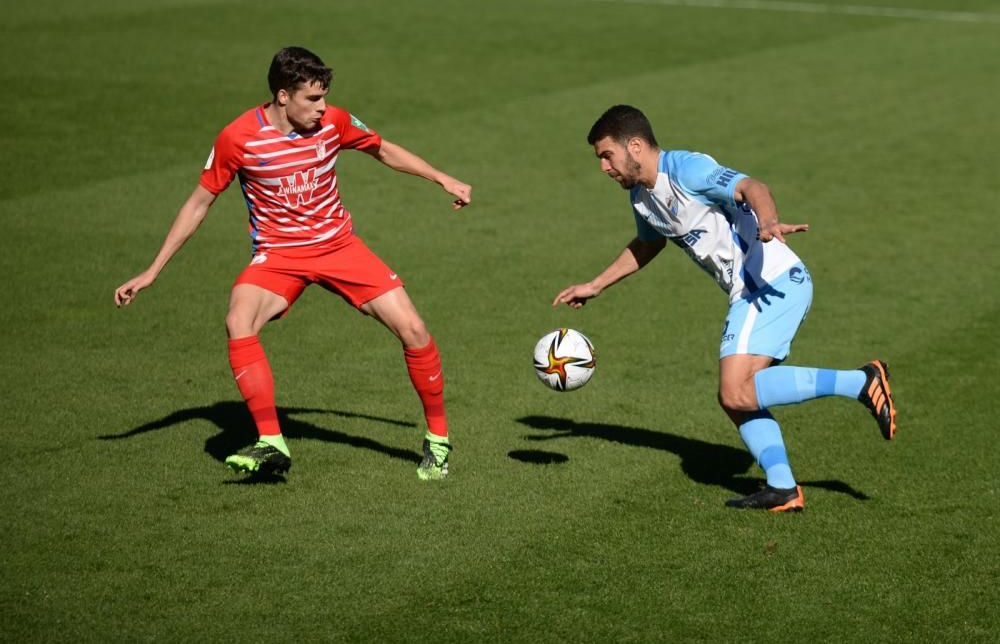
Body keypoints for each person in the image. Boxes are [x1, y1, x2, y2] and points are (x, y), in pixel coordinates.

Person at [115, 47, 471, 480]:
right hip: (279, 257)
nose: (323, 109)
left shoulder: (334, 122)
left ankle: (438, 440)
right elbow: (199, 203)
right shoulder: (238, 138)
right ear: (283, 96)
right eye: (312, 99)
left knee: (413, 329)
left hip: (339, 247)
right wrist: (153, 270)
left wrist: (441, 177)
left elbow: (382, 150)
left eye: (324, 98)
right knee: (238, 319)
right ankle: (271, 442)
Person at [553, 105, 897, 512]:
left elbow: (754, 187)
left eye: (607, 156)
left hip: (770, 282)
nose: (604, 167)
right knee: (735, 397)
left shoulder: (687, 169)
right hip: (749, 291)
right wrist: (596, 285)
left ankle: (860, 382)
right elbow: (649, 243)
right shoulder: (642, 197)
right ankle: (783, 488)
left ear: (635, 146)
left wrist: (768, 222)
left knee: (735, 391)